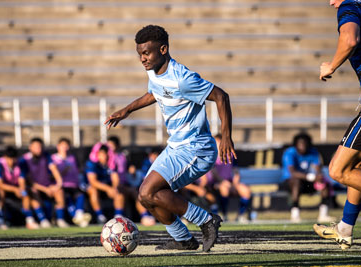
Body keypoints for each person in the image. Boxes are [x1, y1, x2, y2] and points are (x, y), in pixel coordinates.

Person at [105, 25, 236, 252]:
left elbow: (221, 96)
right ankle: (183, 239)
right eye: (140, 54)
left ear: (163, 49)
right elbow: (155, 92)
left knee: (149, 191)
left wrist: (226, 137)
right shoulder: (153, 71)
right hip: (177, 147)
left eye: (146, 53)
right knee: (144, 196)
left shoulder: (183, 79)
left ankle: (206, 220)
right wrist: (127, 110)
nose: (142, 59)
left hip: (197, 148)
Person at [313, 0, 361, 250]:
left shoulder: (351, 6)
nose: (330, 2)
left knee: (338, 170)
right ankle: (344, 228)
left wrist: (331, 66)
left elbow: (350, 39)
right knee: (358, 165)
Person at [281, 133, 334, 223]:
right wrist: (312, 177)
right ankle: (295, 215)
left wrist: (318, 176)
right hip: (291, 183)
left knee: (324, 183)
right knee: (296, 182)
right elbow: (293, 173)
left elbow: (317, 167)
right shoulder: (289, 153)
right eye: (300, 144)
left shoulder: (313, 152)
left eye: (305, 144)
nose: (303, 146)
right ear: (296, 144)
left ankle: (323, 214)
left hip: (308, 182)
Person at [19, 137, 68, 228]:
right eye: (36, 147)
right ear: (30, 147)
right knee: (32, 192)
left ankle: (60, 219)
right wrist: (45, 189)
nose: (39, 149)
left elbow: (54, 169)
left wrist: (58, 184)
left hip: (48, 186)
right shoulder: (24, 160)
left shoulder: (46, 156)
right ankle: (43, 220)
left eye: (40, 147)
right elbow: (29, 181)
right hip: (36, 188)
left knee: (59, 191)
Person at [205, 134, 252, 223]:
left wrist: (235, 184)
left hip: (230, 182)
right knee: (224, 189)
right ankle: (224, 214)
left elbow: (236, 171)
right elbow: (214, 173)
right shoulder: (211, 155)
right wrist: (224, 182)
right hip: (217, 183)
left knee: (245, 190)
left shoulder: (230, 154)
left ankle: (240, 215)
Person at [0, 146, 39, 229]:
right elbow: (0, 184)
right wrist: (14, 189)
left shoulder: (20, 163)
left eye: (13, 159)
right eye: (9, 159)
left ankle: (29, 220)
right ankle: (0, 220)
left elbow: (22, 181)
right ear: (5, 157)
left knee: (25, 193)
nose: (11, 161)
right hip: (4, 188)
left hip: (16, 188)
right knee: (1, 193)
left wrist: (21, 190)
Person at [51, 138, 91, 227]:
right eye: (62, 146)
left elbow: (78, 171)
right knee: (67, 197)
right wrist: (64, 170)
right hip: (61, 185)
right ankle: (75, 218)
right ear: (58, 147)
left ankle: (79, 215)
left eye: (66, 146)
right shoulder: (53, 158)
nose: (65, 148)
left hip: (74, 185)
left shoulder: (72, 158)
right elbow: (52, 174)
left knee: (81, 195)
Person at [85, 144, 125, 223]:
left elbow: (115, 179)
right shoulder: (91, 164)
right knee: (93, 191)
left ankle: (118, 218)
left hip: (108, 188)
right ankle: (100, 216)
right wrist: (108, 188)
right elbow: (93, 182)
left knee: (119, 192)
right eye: (101, 153)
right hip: (94, 187)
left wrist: (114, 188)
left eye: (105, 153)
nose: (104, 156)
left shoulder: (111, 163)